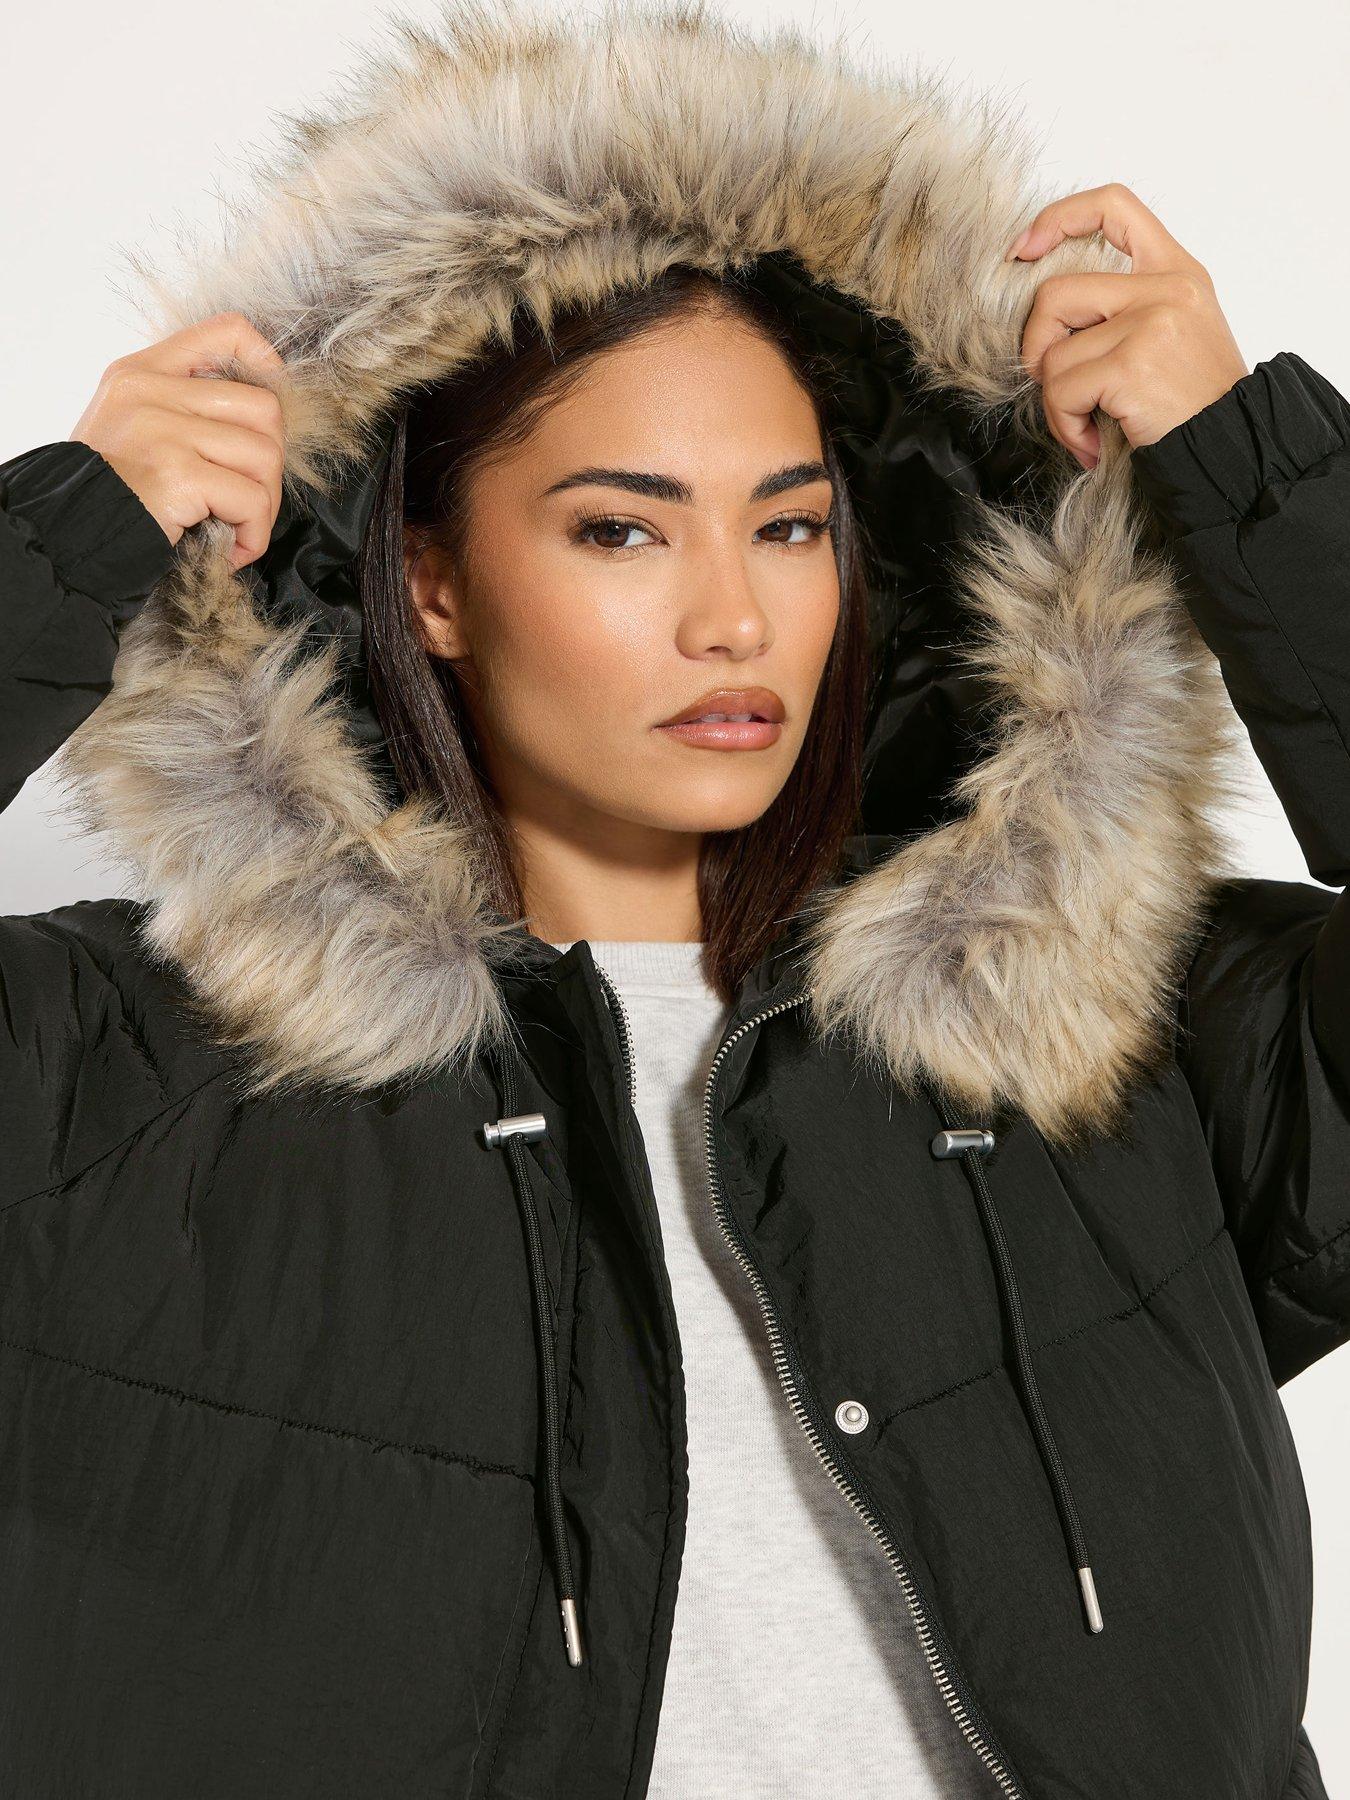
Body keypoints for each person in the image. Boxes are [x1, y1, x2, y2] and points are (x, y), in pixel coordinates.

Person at [0, 3, 1345, 1795]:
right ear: (431, 584)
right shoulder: (110, 1086)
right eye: (621, 529)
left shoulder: (1107, 1027)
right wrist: (62, 546)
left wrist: (1253, 477)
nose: (734, 618)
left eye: (788, 526)